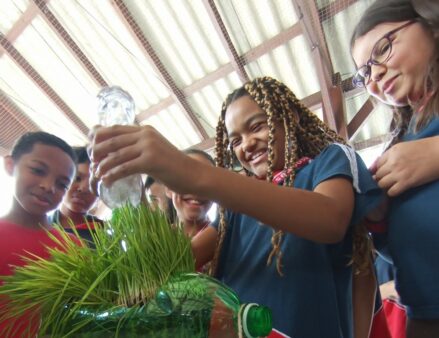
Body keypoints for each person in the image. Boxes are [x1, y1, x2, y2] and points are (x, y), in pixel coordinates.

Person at [89, 76, 382, 338]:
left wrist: (192, 173)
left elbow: (330, 219)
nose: (247, 145)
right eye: (235, 140)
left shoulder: (329, 160)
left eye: (256, 127)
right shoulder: (233, 211)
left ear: (289, 117)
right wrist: (131, 196)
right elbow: (173, 264)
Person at [351, 0, 439, 336]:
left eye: (384, 48)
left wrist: (434, 154)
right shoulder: (403, 138)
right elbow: (403, 251)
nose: (375, 76)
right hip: (424, 316)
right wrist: (381, 223)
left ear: (428, 22)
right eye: (365, 74)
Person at [0, 131, 78, 337]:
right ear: (10, 165)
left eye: (62, 184)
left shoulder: (74, 249)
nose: (48, 186)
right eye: (37, 170)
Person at [51, 146, 102, 245]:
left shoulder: (104, 235)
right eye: (77, 178)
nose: (83, 189)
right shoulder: (39, 225)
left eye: (94, 184)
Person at [167, 149, 215, 237]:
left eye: (206, 181)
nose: (196, 188)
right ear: (169, 189)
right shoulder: (156, 239)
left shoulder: (226, 238)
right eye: (186, 178)